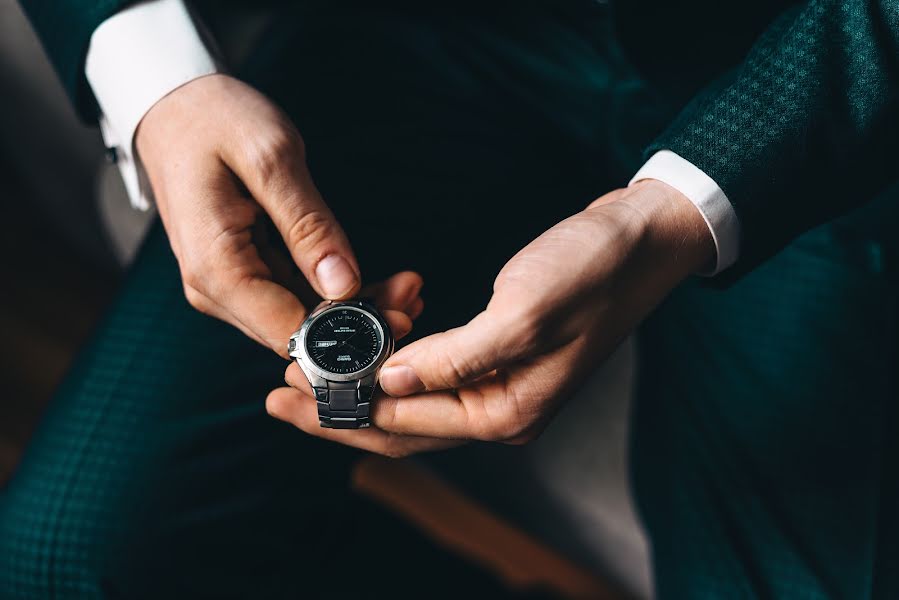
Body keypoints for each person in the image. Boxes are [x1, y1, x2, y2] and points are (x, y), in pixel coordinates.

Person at [1, 0, 897, 597]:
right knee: (66, 560)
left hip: (807, 81)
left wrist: (671, 212)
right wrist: (154, 83)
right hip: (423, 38)